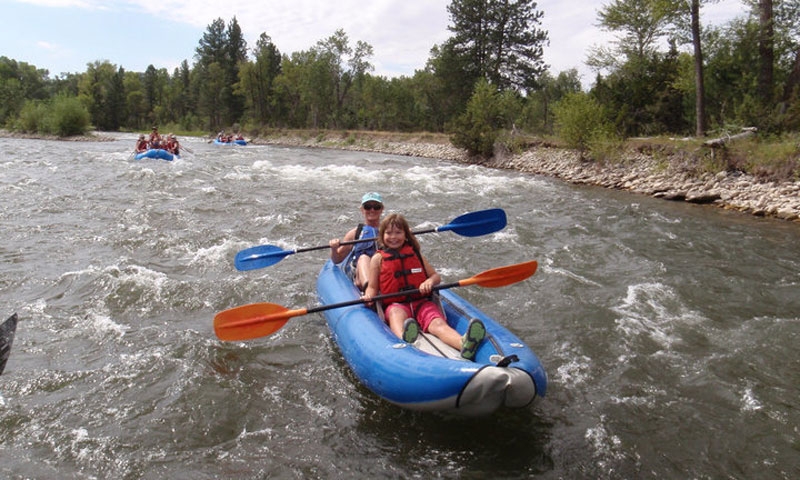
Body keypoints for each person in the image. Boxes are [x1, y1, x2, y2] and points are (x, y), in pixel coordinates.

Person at [364, 213, 486, 360]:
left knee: (438, 324)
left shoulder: (415, 253)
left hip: (421, 303)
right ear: (382, 236)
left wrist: (428, 282)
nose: (393, 237)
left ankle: (464, 344)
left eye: (398, 232)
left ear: (406, 234)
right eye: (388, 233)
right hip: (396, 304)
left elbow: (435, 277)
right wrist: (368, 295)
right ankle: (404, 339)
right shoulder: (378, 259)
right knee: (396, 316)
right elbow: (372, 287)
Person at [329, 192, 384, 290]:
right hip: (361, 273)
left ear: (381, 209)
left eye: (376, 207)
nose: (372, 210)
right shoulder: (355, 234)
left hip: (383, 269)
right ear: (362, 210)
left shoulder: (389, 232)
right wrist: (334, 249)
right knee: (363, 258)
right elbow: (337, 260)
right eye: (368, 207)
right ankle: (369, 290)